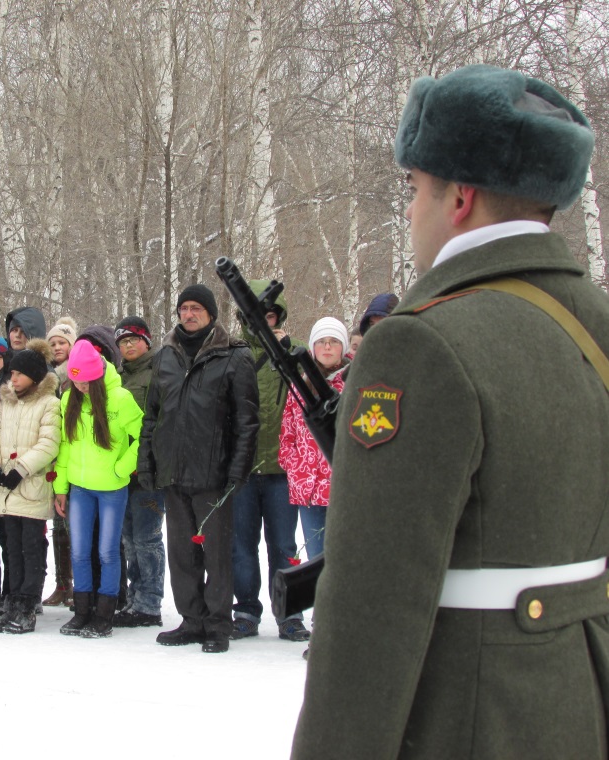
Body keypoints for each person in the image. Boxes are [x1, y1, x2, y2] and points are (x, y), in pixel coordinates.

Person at [291, 65, 609, 759]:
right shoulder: (597, 320)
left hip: (469, 718)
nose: (409, 211)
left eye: (414, 189)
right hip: (579, 701)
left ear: (459, 195)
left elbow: (370, 608)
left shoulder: (421, 342)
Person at [138, 283, 259, 653]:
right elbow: (151, 417)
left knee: (216, 554)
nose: (188, 314)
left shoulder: (234, 357)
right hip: (174, 473)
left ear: (210, 313)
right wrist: (147, 462)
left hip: (214, 474)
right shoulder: (166, 357)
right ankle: (191, 620)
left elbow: (248, 421)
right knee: (181, 553)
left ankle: (218, 626)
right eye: (183, 308)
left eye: (196, 308)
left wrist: (238, 470)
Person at [230, 284, 310, 643]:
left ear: (280, 317)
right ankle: (245, 610)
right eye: (258, 315)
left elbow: (314, 392)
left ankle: (290, 613)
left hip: (282, 470)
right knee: (242, 544)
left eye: (271, 314)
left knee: (283, 546)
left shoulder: (295, 354)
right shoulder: (234, 354)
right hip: (244, 468)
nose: (265, 320)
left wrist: (287, 352)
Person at [54, 340, 142, 638]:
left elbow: (142, 439)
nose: (80, 387)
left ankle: (105, 615)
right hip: (80, 488)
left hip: (112, 489)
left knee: (107, 551)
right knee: (79, 551)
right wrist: (60, 487)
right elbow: (65, 445)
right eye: (74, 380)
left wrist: (121, 468)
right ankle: (82, 611)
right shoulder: (69, 400)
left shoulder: (120, 398)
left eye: (85, 381)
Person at [0, 338, 61, 633]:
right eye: (10, 374)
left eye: (17, 374)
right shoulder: (6, 402)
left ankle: (28, 604)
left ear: (34, 376)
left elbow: (49, 443)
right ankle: (13, 600)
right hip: (5, 490)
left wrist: (22, 468)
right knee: (11, 549)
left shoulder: (49, 404)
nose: (11, 378)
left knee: (31, 548)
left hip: (30, 488)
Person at [278, 317, 348, 562]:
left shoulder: (354, 384)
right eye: (321, 342)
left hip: (343, 490)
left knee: (344, 559)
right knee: (316, 559)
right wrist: (295, 466)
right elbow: (287, 434)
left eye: (333, 342)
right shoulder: (299, 387)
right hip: (308, 489)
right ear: (312, 348)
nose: (327, 347)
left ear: (343, 347)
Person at [112, 316, 166, 628]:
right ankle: (135, 597)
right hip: (121, 471)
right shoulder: (117, 377)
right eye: (123, 341)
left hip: (150, 470)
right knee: (129, 539)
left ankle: (150, 603)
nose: (129, 345)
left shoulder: (159, 370)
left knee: (147, 538)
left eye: (134, 339)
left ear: (146, 340)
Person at [43, 316, 78, 607]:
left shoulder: (76, 374)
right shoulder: (47, 375)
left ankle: (79, 582)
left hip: (75, 455)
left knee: (75, 524)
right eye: (52, 343)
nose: (56, 347)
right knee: (58, 524)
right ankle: (62, 583)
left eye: (62, 343)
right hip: (53, 459)